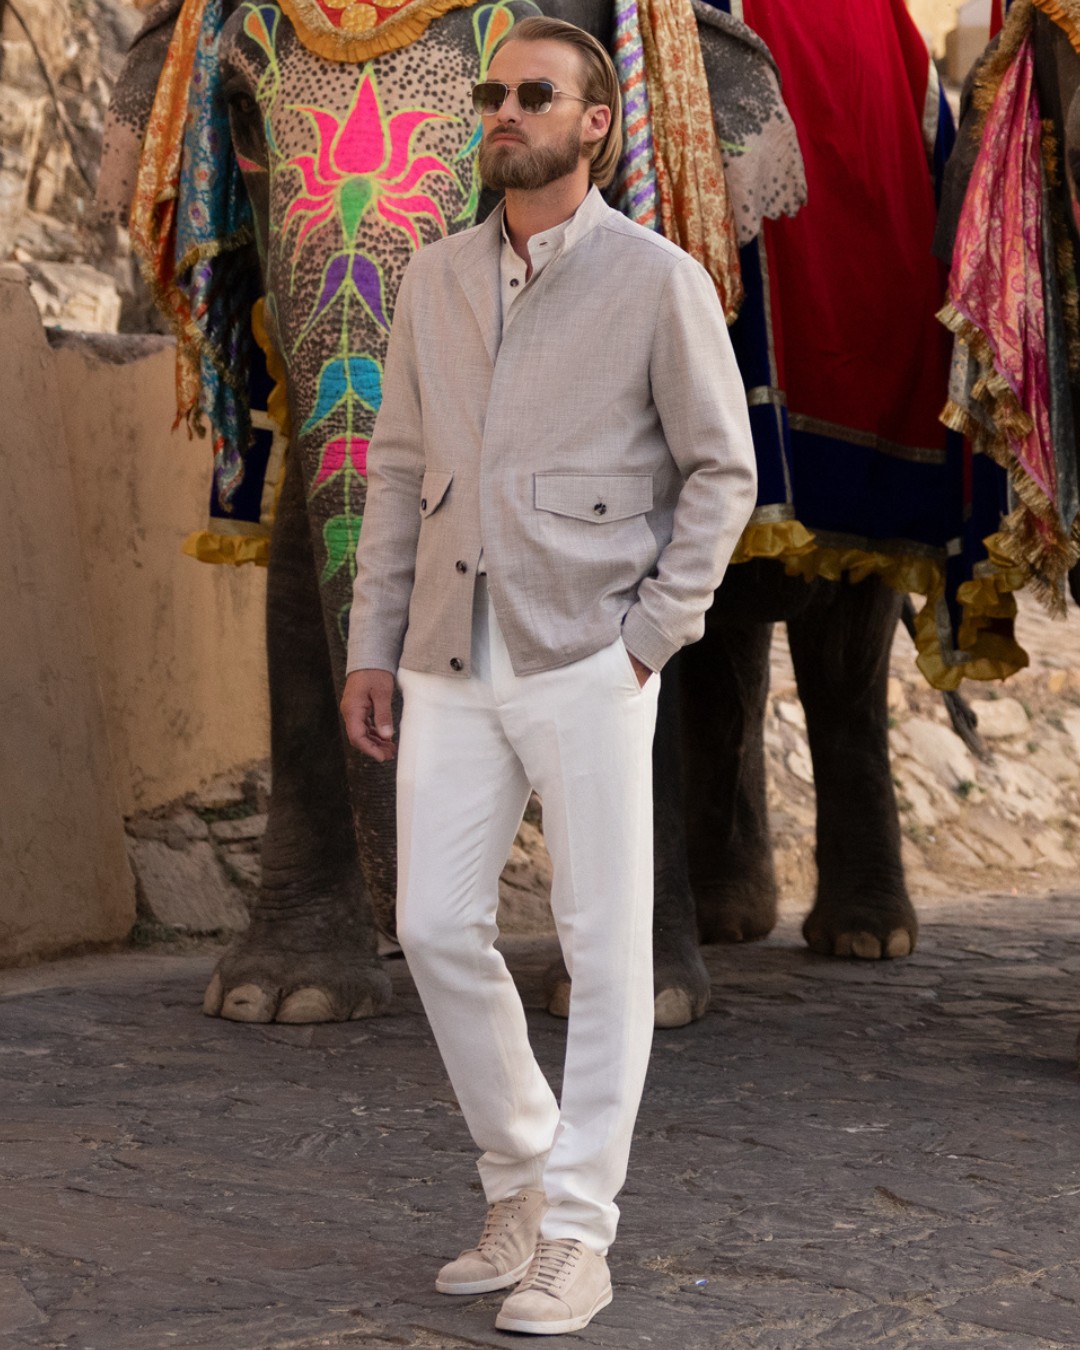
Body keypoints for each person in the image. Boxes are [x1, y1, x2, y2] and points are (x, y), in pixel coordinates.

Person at [340, 15, 756, 1336]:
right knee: (434, 923)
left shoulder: (656, 279)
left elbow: (721, 472)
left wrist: (652, 634)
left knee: (602, 942)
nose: (502, 112)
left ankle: (579, 1233)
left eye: (535, 94)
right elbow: (396, 473)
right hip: (450, 650)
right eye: (491, 95)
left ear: (595, 123)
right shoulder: (434, 280)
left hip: (590, 653)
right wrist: (371, 642)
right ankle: (520, 1174)